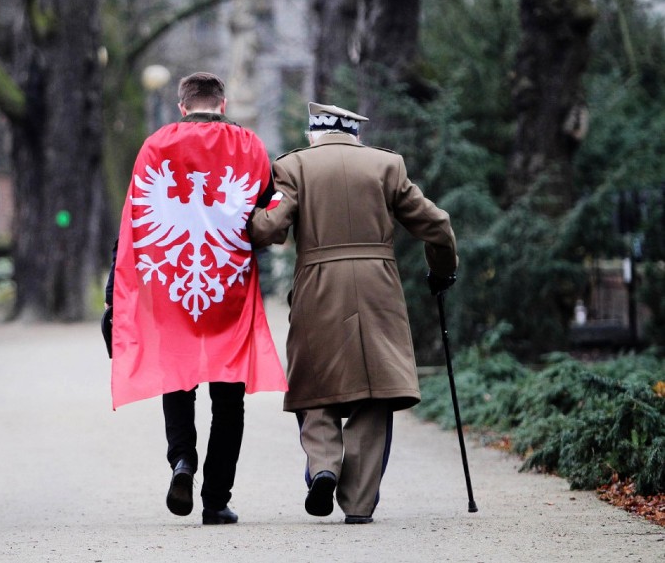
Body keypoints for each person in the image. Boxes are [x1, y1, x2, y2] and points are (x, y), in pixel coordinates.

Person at [247, 101, 458, 524]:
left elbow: (269, 228)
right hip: (377, 289)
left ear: (313, 134)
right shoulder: (387, 166)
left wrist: (247, 217)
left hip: (318, 289)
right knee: (374, 391)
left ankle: (324, 466)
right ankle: (359, 504)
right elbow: (437, 225)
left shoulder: (293, 167)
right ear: (355, 135)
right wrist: (441, 272)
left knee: (315, 384)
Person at [106, 72, 287, 525]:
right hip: (228, 284)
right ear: (222, 104)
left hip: (171, 287)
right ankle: (216, 499)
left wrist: (115, 295)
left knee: (178, 380)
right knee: (229, 398)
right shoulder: (249, 146)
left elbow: (135, 222)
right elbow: (268, 214)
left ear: (182, 106)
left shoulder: (156, 145)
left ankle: (182, 461)